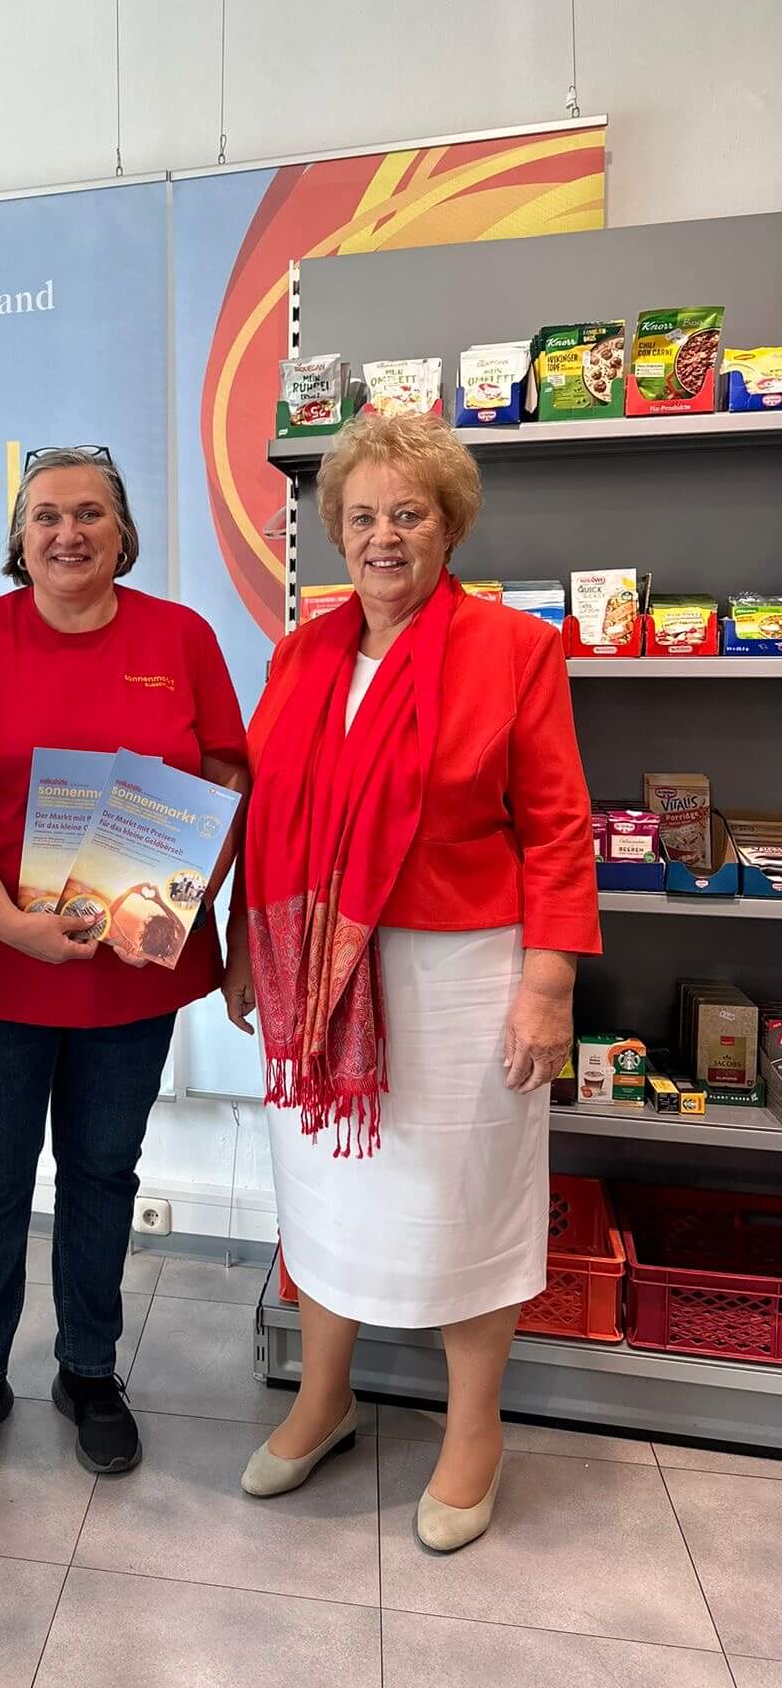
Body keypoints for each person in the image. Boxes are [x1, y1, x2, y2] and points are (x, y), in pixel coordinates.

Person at [224, 413, 599, 1552]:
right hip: (315, 977)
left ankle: (474, 1428)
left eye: (408, 513)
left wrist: (548, 985)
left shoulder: (511, 650)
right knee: (327, 1190)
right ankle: (323, 1396)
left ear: (450, 525)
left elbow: (557, 825)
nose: (383, 536)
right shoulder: (304, 649)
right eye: (362, 516)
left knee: (463, 1197)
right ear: (334, 529)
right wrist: (247, 942)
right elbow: (265, 807)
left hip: (457, 974)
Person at [0, 445, 248, 1481]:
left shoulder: (179, 637)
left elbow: (228, 765)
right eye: (46, 514)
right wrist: (7, 920)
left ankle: (89, 1367)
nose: (69, 531)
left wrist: (181, 888)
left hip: (125, 967)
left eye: (91, 511)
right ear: (18, 537)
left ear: (123, 531)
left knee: (104, 1170)